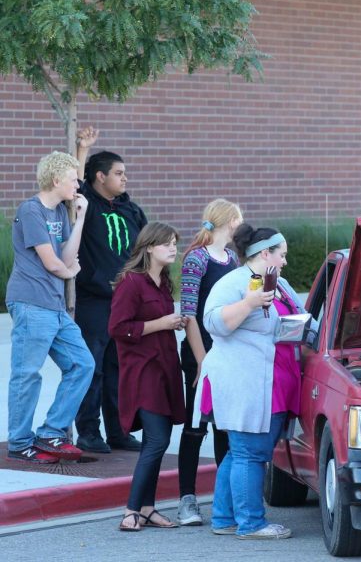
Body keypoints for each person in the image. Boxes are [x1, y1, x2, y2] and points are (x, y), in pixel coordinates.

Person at [200, 224, 303, 540]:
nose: (284, 261)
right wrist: (249, 302)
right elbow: (213, 323)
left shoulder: (280, 283)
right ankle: (251, 524)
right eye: (281, 255)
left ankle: (225, 518)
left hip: (271, 383)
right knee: (250, 454)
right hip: (246, 383)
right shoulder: (232, 282)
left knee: (240, 452)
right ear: (265, 253)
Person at [5, 152, 94, 463]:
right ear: (56, 180)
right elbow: (54, 263)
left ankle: (51, 432)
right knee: (27, 374)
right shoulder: (31, 211)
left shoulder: (58, 213)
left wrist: (80, 218)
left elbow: (67, 257)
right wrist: (68, 272)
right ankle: (18, 442)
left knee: (82, 364)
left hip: (53, 306)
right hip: (31, 302)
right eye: (73, 179)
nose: (77, 184)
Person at [73, 127, 147, 454]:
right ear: (100, 177)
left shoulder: (130, 209)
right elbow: (74, 186)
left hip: (126, 303)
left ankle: (118, 430)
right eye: (119, 173)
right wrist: (82, 149)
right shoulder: (86, 203)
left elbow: (148, 246)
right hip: (95, 301)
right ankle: (88, 432)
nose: (124, 178)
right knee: (93, 367)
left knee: (120, 368)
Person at [108, 222, 187, 531]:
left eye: (175, 243)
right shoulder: (131, 282)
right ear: (149, 247)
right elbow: (117, 328)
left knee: (158, 442)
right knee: (156, 440)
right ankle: (131, 511)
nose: (173, 248)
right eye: (167, 243)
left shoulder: (163, 282)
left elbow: (160, 323)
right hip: (143, 374)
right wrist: (162, 323)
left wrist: (173, 323)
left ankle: (147, 508)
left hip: (166, 370)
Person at [175, 199, 243, 526]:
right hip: (200, 353)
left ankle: (224, 499)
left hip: (227, 352)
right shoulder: (196, 259)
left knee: (224, 425)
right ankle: (187, 499)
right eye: (238, 221)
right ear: (229, 221)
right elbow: (189, 315)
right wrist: (202, 362)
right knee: (195, 424)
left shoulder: (231, 259)